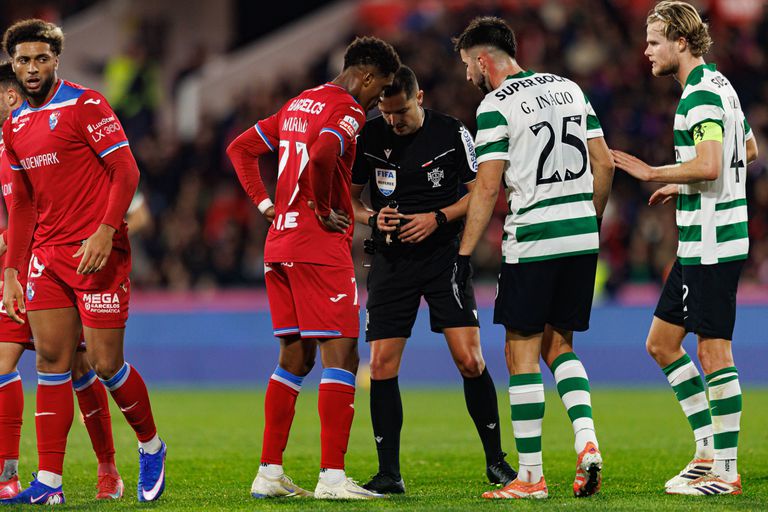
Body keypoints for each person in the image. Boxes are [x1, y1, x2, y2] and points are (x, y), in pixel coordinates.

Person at [226, 36, 400, 500]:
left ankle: (269, 471)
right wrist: (323, 206)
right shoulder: (346, 109)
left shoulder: (300, 102)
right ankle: (332, 476)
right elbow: (324, 154)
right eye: (380, 88)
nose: (379, 100)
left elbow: (240, 149)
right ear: (364, 75)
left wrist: (266, 203)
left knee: (295, 357)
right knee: (342, 355)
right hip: (317, 246)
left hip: (279, 243)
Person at [0, 19, 165, 504]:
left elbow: (126, 169)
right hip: (46, 259)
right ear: (13, 64)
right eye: (23, 60)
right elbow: (23, 205)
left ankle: (151, 445)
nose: (32, 69)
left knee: (106, 364)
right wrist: (12, 270)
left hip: (97, 254)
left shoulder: (85, 104)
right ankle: (49, 484)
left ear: (56, 60)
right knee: (51, 363)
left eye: (41, 59)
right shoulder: (13, 126)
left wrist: (106, 230)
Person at [452, 16, 615, 499]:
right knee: (558, 346)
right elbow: (604, 161)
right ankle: (587, 444)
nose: (466, 76)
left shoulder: (495, 105)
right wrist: (591, 221)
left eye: (467, 65)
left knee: (518, 351)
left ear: (484, 60)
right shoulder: (570, 88)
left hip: (535, 237)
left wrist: (463, 255)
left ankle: (529, 477)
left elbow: (487, 185)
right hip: (582, 236)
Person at [612, 1, 758, 496]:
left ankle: (727, 470)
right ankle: (705, 452)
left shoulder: (697, 97)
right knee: (661, 343)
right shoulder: (723, 88)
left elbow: (713, 163)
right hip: (704, 239)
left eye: (654, 41)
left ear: (680, 41)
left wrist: (656, 173)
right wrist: (684, 184)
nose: (646, 50)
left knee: (714, 351)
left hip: (713, 242)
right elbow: (749, 151)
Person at [349, 65, 517, 494]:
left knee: (470, 360)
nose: (393, 121)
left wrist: (436, 217)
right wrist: (373, 217)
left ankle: (496, 462)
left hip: (445, 257)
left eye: (400, 112)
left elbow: (481, 191)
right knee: (383, 364)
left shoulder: (451, 132)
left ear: (418, 97)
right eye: (386, 113)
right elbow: (348, 202)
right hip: (390, 261)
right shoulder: (369, 136)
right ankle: (389, 474)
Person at [0, 61, 126, 502]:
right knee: (9, 365)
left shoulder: (77, 133)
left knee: (81, 367)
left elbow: (127, 186)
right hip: (23, 272)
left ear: (12, 96)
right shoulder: (12, 145)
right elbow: (20, 211)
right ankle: (13, 476)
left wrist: (107, 229)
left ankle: (108, 467)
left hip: (68, 262)